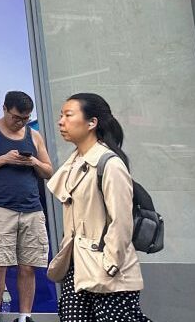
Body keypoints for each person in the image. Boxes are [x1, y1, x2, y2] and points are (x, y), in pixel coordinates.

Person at [47, 93, 150, 322]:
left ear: (92, 122)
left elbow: (121, 221)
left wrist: (110, 264)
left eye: (68, 115)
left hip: (107, 269)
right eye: (61, 115)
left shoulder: (110, 164)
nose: (61, 122)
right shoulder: (74, 163)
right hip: (77, 267)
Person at [0, 90, 54, 322]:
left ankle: (25, 316)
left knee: (29, 266)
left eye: (25, 118)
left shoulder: (34, 135)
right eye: (16, 117)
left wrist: (33, 161)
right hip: (0, 208)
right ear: (4, 109)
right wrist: (4, 159)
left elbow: (49, 171)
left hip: (32, 209)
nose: (20, 123)